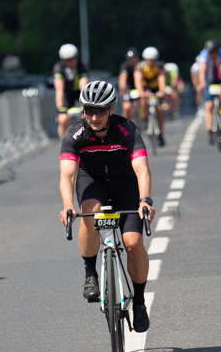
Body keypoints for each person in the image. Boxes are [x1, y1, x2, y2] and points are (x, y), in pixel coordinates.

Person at [58, 81, 155, 332]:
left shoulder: (127, 130)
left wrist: (145, 200)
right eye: (89, 110)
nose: (94, 116)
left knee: (133, 243)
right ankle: (91, 273)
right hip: (92, 182)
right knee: (90, 215)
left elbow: (142, 169)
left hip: (125, 185)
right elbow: (67, 175)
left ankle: (139, 301)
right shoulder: (75, 134)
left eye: (100, 111)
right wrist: (68, 205)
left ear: (111, 110)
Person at [196, 39, 221, 144]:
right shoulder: (204, 54)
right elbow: (202, 69)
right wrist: (201, 83)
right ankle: (210, 131)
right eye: (210, 52)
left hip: (220, 79)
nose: (211, 54)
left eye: (213, 52)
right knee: (209, 106)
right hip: (209, 81)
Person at [53, 43, 89, 139]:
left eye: (74, 58)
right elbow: (59, 90)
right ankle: (64, 143)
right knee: (63, 119)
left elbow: (84, 86)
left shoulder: (82, 65)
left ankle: (86, 140)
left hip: (79, 93)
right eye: (69, 60)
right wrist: (60, 108)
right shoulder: (58, 67)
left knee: (87, 115)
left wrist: (85, 104)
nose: (72, 62)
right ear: (63, 60)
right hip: (66, 94)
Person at [133, 46, 166, 147]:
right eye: (148, 60)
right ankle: (144, 117)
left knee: (159, 109)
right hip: (145, 87)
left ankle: (161, 134)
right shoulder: (139, 66)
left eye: (153, 60)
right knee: (143, 98)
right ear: (144, 59)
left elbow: (162, 79)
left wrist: (161, 91)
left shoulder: (160, 66)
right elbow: (138, 80)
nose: (150, 62)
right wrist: (141, 91)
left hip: (156, 88)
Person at [118, 47, 140, 120]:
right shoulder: (125, 66)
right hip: (129, 88)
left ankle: (145, 118)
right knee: (126, 107)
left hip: (140, 87)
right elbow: (122, 80)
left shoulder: (141, 66)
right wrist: (123, 90)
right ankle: (126, 124)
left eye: (133, 58)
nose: (131, 60)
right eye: (129, 59)